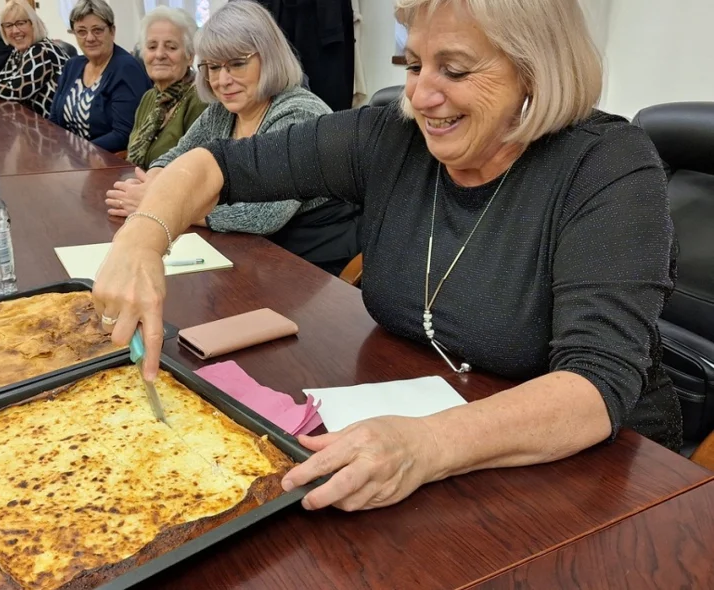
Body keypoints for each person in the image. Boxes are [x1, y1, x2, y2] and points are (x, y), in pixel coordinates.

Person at [91, 0, 682, 512]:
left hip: (600, 479)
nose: (420, 96)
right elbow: (214, 164)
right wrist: (142, 238)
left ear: (536, 71)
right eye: (414, 65)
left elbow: (593, 386)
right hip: (431, 440)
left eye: (454, 69)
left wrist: (428, 443)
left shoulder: (608, 165)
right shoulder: (390, 137)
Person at [104, 0, 362, 275]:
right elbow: (174, 157)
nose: (222, 80)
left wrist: (166, 206)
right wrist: (154, 186)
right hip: (251, 251)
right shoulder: (222, 111)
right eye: (213, 67)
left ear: (270, 57)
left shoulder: (300, 114)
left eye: (237, 64)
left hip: (315, 265)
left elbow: (263, 216)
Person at [48, 0, 152, 152]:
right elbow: (54, 119)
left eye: (97, 30)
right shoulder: (72, 65)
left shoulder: (126, 69)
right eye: (81, 31)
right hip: (69, 156)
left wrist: (78, 152)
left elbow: (123, 135)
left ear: (112, 31)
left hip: (105, 159)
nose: (90, 38)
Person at [125, 6, 206, 169]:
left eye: (171, 47)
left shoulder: (200, 99)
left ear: (190, 56)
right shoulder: (149, 97)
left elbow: (195, 168)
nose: (159, 55)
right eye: (152, 47)